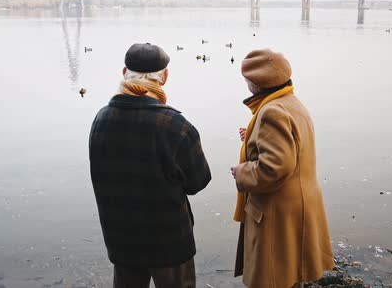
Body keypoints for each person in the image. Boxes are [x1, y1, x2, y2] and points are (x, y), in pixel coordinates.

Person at [89, 43, 212, 288]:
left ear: (124, 71)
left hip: (120, 237)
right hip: (169, 241)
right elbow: (198, 181)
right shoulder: (174, 125)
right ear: (164, 77)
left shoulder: (101, 119)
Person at [231, 49, 335, 288]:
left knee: (273, 277)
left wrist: (242, 172)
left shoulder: (271, 111)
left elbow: (274, 168)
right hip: (299, 201)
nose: (246, 84)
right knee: (289, 272)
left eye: (247, 80)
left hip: (279, 209)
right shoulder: (291, 102)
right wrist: (252, 139)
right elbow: (292, 146)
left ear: (256, 83)